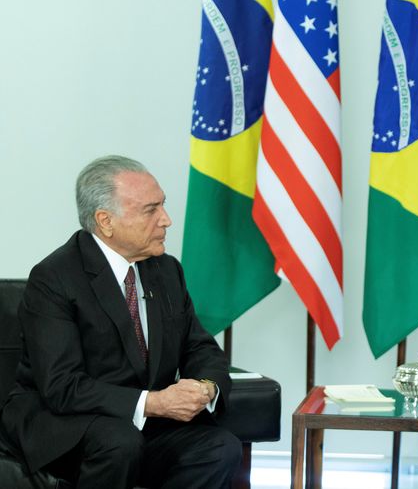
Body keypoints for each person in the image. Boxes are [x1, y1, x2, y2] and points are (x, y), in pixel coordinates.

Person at [0, 155, 241, 488]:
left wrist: (205, 387)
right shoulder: (54, 278)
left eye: (163, 206)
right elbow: (62, 386)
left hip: (139, 424)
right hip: (65, 422)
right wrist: (154, 402)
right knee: (120, 442)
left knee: (219, 448)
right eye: (150, 210)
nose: (166, 220)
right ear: (105, 221)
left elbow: (199, 347)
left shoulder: (166, 270)